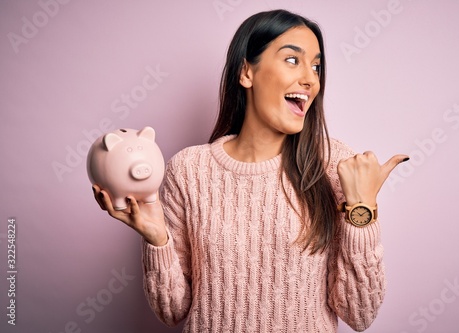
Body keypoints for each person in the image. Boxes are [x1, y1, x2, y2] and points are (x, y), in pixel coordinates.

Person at [92, 9, 408, 332]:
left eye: (316, 66)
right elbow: (173, 311)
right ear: (246, 73)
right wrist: (157, 239)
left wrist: (362, 210)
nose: (311, 78)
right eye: (292, 60)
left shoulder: (334, 167)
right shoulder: (188, 171)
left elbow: (360, 314)